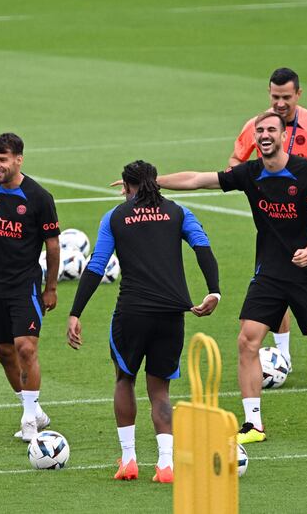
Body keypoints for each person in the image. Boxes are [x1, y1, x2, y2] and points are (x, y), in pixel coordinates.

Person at [158, 111, 307, 444]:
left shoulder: (306, 172)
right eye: (259, 130)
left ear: (283, 136)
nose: (263, 134)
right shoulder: (250, 173)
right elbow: (198, 179)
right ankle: (253, 424)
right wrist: (152, 182)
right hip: (270, 274)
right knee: (247, 340)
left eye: (270, 130)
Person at [66, 160, 221, 482]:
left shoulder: (115, 217)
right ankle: (166, 464)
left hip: (132, 314)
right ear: (157, 182)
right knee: (160, 392)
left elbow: (96, 266)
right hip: (171, 315)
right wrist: (213, 292)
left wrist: (76, 312)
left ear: (126, 186)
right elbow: (203, 247)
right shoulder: (178, 212)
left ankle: (129, 460)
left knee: (124, 380)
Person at [229, 68, 307, 368]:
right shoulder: (259, 125)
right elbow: (235, 160)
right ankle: (283, 354)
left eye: (286, 97)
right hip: (277, 221)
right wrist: (262, 177)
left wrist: (299, 169)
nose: (280, 103)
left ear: (298, 95)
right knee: (276, 283)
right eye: (275, 97)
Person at [0, 133, 60, 442]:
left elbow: (53, 246)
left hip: (25, 285)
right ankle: (35, 409)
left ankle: (30, 421)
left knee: (25, 347)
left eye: (2, 160)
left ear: (19, 159)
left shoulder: (39, 197)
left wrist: (51, 287)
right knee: (3, 351)